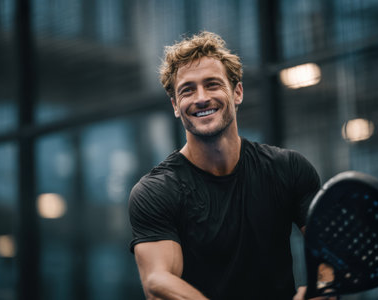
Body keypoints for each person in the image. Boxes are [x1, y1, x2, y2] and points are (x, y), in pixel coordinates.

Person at [129, 31, 331, 300]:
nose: (201, 98)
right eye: (188, 90)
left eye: (212, 84)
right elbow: (158, 282)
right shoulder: (156, 192)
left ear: (237, 92)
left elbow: (330, 254)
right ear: (176, 106)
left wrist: (322, 288)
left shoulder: (289, 168)